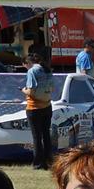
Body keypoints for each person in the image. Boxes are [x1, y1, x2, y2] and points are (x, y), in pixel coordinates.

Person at [22, 39, 56, 170]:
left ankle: (38, 163)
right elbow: (52, 88)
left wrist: (23, 90)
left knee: (36, 137)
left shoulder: (32, 72)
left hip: (34, 108)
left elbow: (30, 90)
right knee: (46, 135)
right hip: (47, 106)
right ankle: (49, 159)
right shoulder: (47, 70)